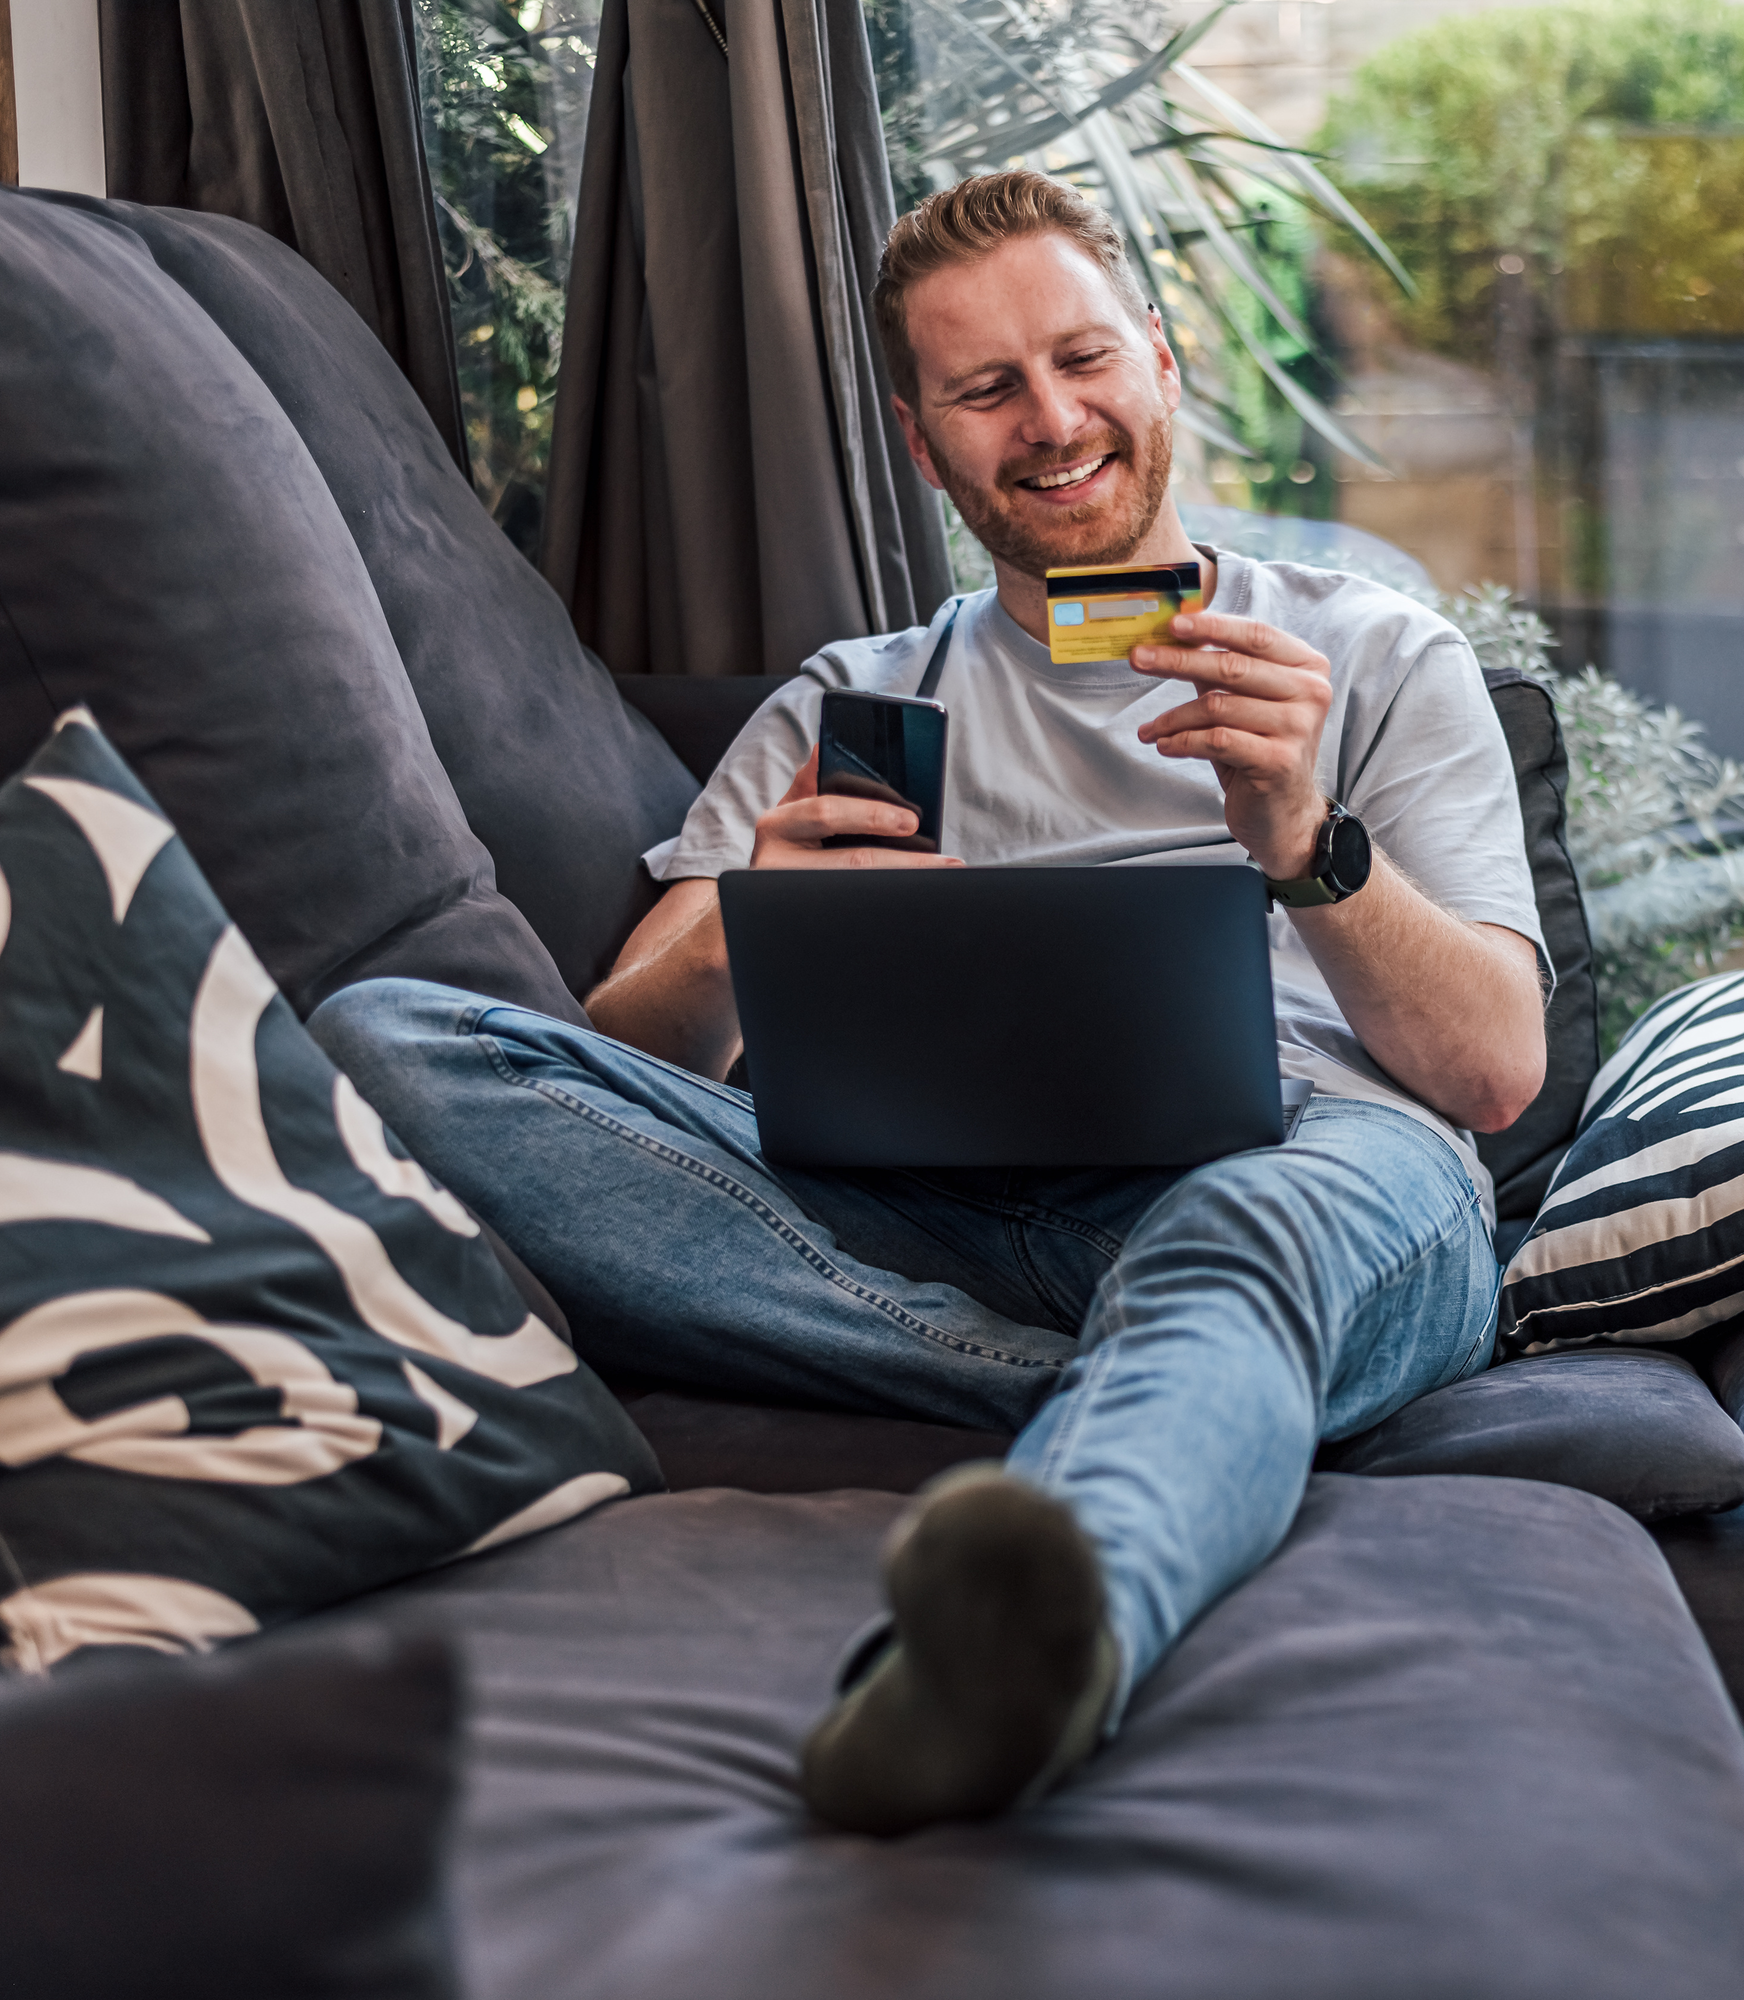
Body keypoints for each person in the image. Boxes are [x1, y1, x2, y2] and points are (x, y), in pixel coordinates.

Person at [310, 169, 1548, 1835]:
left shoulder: (1374, 656)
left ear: (1164, 366)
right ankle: (1161, 1384)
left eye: (1084, 361)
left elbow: (1488, 1075)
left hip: (1309, 1170)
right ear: (923, 439)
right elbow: (615, 1058)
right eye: (987, 390)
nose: (1052, 422)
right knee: (384, 1045)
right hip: (926, 1210)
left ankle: (1049, 1634)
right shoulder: (856, 699)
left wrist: (1307, 845)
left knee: (1238, 1244)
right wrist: (753, 927)